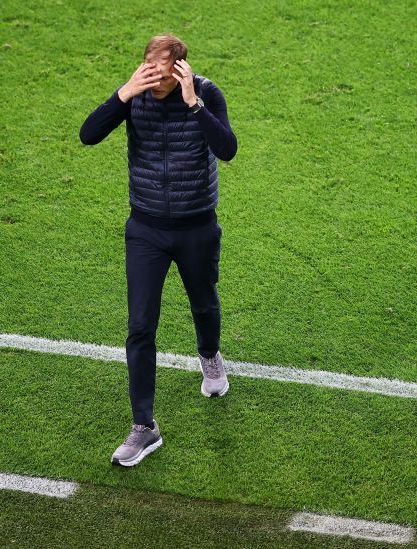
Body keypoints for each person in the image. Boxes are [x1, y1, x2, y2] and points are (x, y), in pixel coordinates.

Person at [79, 33, 238, 467]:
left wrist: (193, 103)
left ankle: (209, 356)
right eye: (149, 67)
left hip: (196, 227)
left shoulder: (205, 93)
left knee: (204, 304)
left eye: (163, 70)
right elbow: (88, 135)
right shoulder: (135, 95)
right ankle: (144, 427)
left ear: (181, 68)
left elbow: (227, 149)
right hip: (146, 228)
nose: (155, 77)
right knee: (140, 325)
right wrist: (123, 94)